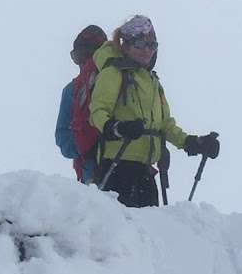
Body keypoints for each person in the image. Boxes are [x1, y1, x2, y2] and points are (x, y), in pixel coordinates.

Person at [87, 15, 220, 208]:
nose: (147, 50)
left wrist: (192, 143)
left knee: (147, 235)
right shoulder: (113, 73)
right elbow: (97, 112)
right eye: (140, 43)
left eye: (152, 45)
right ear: (125, 45)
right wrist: (117, 128)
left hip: (146, 171)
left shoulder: (153, 82)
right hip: (117, 166)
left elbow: (165, 125)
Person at [56, 24, 106, 182]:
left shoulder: (119, 83)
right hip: (89, 173)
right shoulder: (71, 90)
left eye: (89, 56)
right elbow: (62, 134)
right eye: (78, 56)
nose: (83, 63)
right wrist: (83, 146)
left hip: (122, 166)